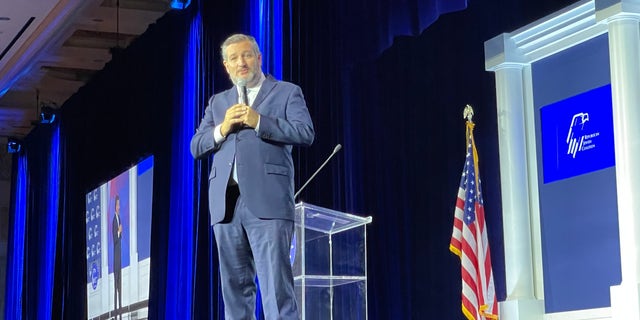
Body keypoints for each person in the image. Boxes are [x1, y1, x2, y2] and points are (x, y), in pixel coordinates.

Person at [190, 33, 314, 319]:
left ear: (258, 58)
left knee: (276, 292)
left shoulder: (286, 91)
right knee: (234, 293)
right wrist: (222, 128)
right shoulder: (218, 102)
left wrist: (259, 121)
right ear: (226, 66)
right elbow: (196, 146)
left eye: (246, 55)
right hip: (226, 206)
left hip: (268, 202)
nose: (240, 63)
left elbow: (304, 132)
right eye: (233, 58)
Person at [112, 195, 123, 320]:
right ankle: (115, 312)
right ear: (115, 206)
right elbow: (115, 239)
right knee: (115, 284)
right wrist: (119, 231)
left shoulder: (119, 218)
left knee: (120, 284)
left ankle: (120, 310)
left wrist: (120, 232)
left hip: (119, 257)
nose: (119, 207)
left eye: (120, 205)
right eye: (118, 205)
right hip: (115, 258)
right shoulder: (114, 221)